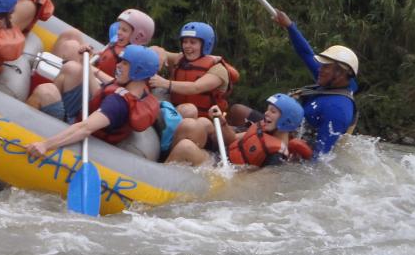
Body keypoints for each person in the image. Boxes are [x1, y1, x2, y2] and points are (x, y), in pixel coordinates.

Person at [228, 10, 359, 159]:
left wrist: (293, 153)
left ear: (341, 74)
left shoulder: (338, 110)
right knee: (237, 110)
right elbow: (306, 54)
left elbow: (321, 158)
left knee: (232, 134)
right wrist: (290, 26)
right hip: (280, 126)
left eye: (326, 67)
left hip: (286, 145)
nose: (320, 69)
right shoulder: (331, 80)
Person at [26, 45, 161, 156]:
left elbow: (84, 129)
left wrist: (45, 145)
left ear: (137, 71)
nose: (118, 65)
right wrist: (87, 63)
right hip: (85, 114)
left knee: (45, 92)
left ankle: (22, 128)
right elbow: (102, 92)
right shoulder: (140, 92)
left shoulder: (118, 104)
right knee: (72, 69)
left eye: (124, 63)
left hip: (75, 128)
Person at [28, 8, 156, 116]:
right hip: (95, 80)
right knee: (72, 34)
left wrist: (90, 67)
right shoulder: (119, 46)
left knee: (71, 50)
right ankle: (49, 95)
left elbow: (111, 88)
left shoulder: (132, 60)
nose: (118, 32)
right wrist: (90, 56)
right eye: (119, 28)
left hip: (95, 90)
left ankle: (49, 100)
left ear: (138, 36)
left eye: (124, 30)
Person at [165, 94, 312, 167]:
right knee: (199, 123)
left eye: (273, 112)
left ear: (286, 120)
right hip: (220, 157)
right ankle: (166, 163)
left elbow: (259, 182)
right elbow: (233, 140)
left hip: (221, 170)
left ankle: (159, 177)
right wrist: (223, 123)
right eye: (267, 110)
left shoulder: (277, 155)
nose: (266, 114)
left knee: (186, 147)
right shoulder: (262, 127)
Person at [148, 21, 239, 119]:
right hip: (178, 113)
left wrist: (164, 83)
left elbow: (195, 87)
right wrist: (159, 51)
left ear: (206, 45)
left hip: (206, 121)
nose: (187, 46)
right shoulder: (179, 59)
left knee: (189, 110)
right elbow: (152, 49)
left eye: (193, 42)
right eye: (185, 41)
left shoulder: (218, 69)